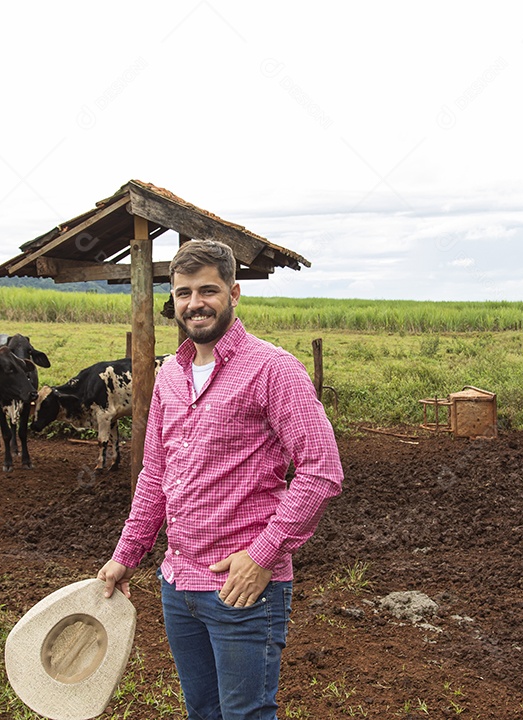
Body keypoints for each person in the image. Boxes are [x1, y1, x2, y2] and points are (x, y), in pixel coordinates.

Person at [98, 239, 343, 719]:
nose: (195, 303)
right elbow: (155, 474)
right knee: (202, 712)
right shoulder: (170, 375)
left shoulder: (273, 369)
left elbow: (321, 469)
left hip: (242, 587)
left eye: (207, 290)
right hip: (177, 584)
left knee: (245, 714)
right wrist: (126, 555)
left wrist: (263, 555)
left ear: (233, 293)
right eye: (184, 292)